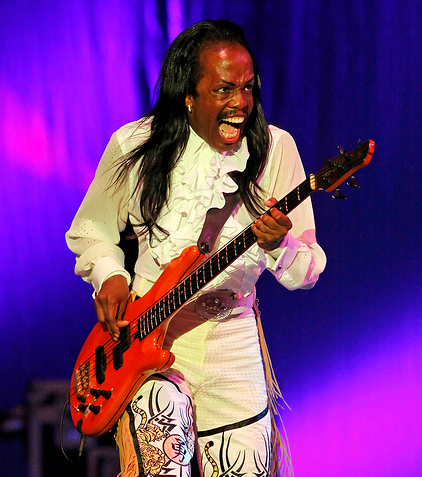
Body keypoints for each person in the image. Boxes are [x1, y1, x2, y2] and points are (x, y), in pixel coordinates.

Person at [66, 19, 326, 477]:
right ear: (189, 94)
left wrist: (278, 244)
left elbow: (307, 270)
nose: (240, 103)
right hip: (149, 338)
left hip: (233, 341)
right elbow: (91, 228)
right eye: (224, 89)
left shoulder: (275, 149)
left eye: (247, 88)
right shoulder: (136, 144)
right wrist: (110, 274)